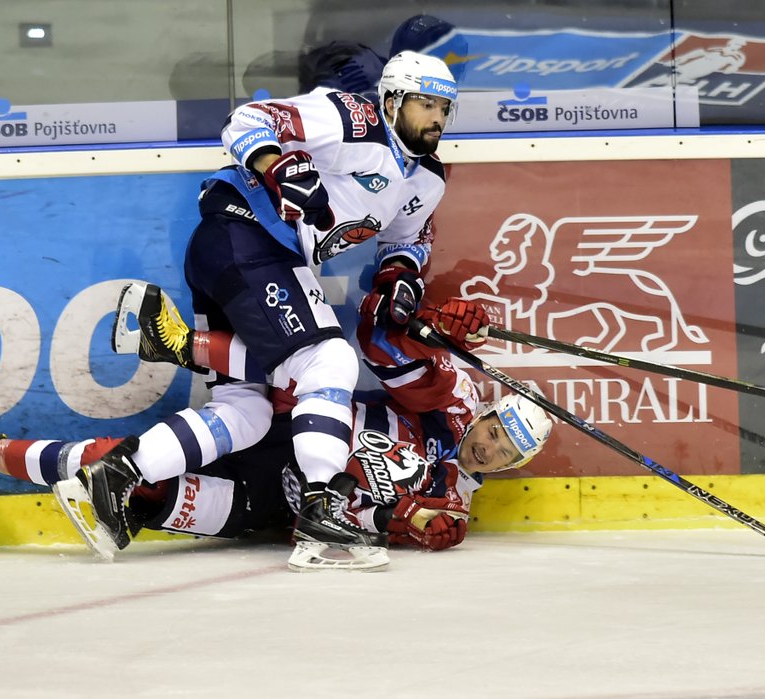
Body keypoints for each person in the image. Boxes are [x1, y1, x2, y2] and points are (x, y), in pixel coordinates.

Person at [35, 49, 461, 569]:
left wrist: (401, 278)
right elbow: (248, 120)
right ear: (392, 100)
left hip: (242, 256)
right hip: (245, 236)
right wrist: (276, 164)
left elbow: (407, 239)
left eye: (444, 108)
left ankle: (118, 473)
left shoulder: (428, 179)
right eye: (425, 104)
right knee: (328, 361)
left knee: (248, 412)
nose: (436, 118)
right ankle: (321, 503)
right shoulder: (354, 119)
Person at [0, 286, 553, 571]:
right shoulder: (449, 406)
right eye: (497, 432)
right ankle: (181, 344)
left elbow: (403, 537)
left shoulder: (454, 512)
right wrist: (430, 330)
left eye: (504, 455)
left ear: (509, 470)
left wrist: (407, 523)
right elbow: (381, 341)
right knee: (305, 366)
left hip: (263, 506)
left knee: (123, 474)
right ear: (490, 416)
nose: (489, 448)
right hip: (286, 433)